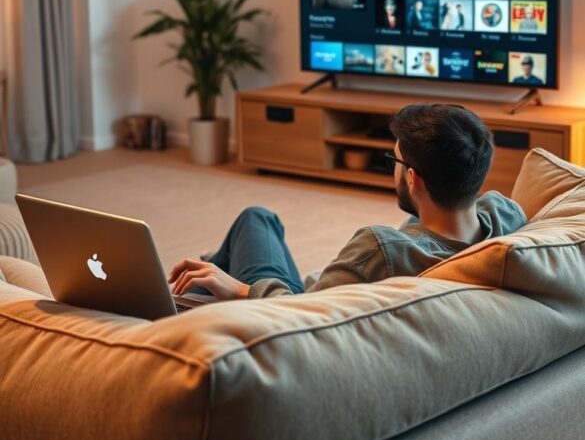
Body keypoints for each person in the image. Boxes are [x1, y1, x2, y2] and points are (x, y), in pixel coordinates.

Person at [168, 104, 526, 302]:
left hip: (284, 301)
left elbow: (303, 314)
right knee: (241, 239)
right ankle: (207, 274)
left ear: (413, 178)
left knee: (256, 219)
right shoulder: (505, 214)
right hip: (323, 284)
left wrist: (240, 288)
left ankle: (196, 290)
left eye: (395, 161)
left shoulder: (380, 249)